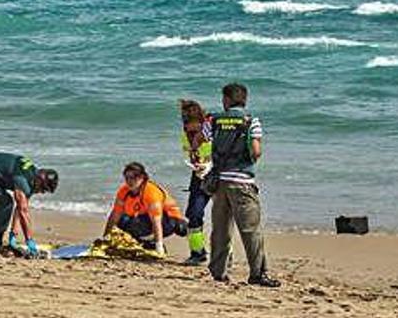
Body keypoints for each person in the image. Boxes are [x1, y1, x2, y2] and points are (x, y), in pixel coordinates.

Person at [204, 83, 280, 287]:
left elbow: (199, 142)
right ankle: (257, 273)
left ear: (227, 100)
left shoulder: (214, 120)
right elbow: (256, 151)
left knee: (220, 229)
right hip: (242, 182)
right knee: (250, 230)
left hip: (220, 182)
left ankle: (218, 272)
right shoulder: (250, 121)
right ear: (244, 100)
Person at [0, 152, 59, 255]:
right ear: (40, 180)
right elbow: (23, 212)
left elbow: (20, 208)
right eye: (43, 189)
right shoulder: (23, 179)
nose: (41, 192)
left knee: (6, 203)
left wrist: (13, 234)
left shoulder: (32, 179)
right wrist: (29, 240)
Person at [103, 162, 188, 255]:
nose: (130, 181)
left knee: (137, 225)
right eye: (127, 178)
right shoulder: (123, 192)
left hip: (169, 220)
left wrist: (159, 246)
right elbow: (114, 215)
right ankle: (147, 244)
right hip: (144, 218)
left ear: (142, 177)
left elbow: (156, 221)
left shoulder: (151, 192)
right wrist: (106, 239)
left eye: (134, 177)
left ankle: (156, 243)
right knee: (121, 222)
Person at [179, 99, 214, 265]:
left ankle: (224, 254)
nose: (189, 128)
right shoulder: (185, 135)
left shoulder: (213, 129)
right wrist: (196, 165)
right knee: (193, 214)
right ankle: (197, 252)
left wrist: (210, 165)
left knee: (222, 216)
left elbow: (225, 152)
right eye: (186, 124)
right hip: (199, 175)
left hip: (217, 174)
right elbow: (191, 154)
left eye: (193, 124)